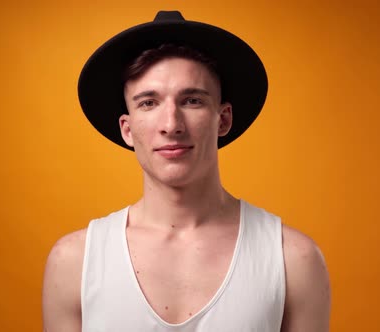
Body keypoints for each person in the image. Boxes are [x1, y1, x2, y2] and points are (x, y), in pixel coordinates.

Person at [42, 10, 330, 332]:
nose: (171, 125)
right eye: (149, 103)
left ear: (223, 120)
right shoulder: (74, 263)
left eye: (191, 100)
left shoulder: (294, 261)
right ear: (126, 128)